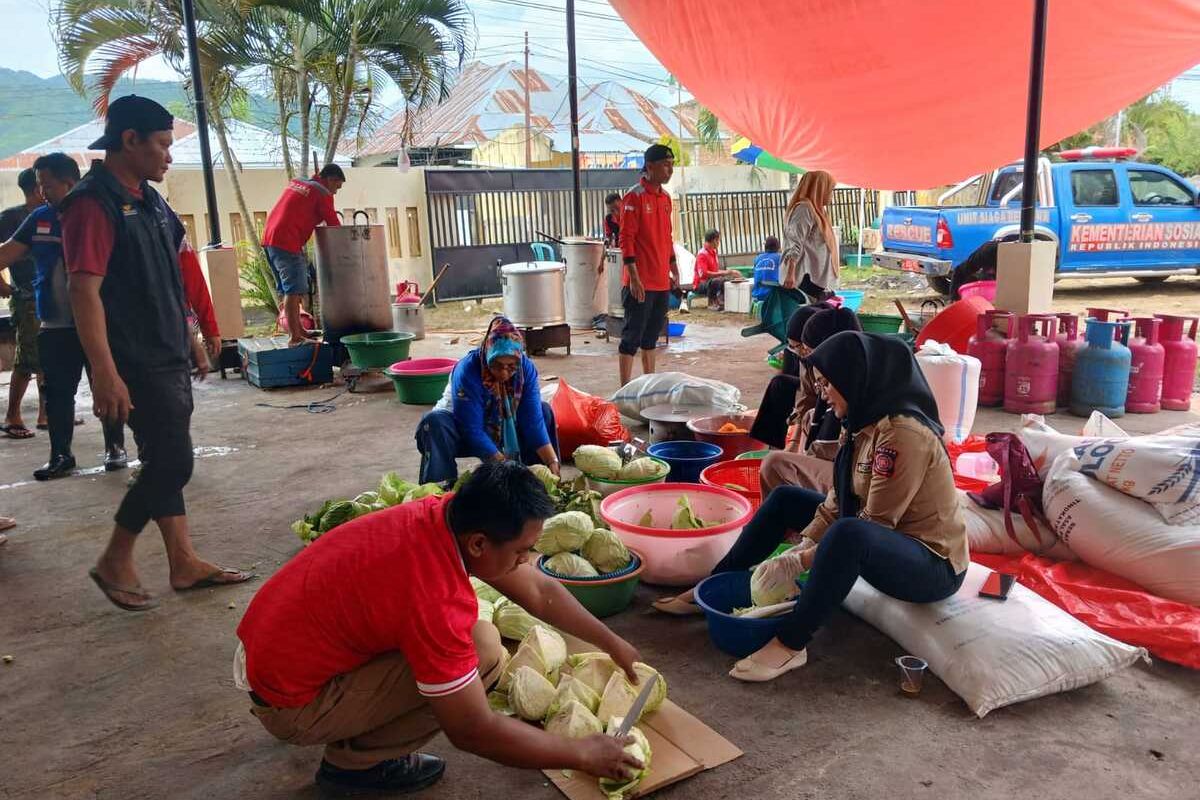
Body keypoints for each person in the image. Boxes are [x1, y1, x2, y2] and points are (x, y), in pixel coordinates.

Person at [235, 461, 645, 795]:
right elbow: (471, 731)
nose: (528, 560)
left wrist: (610, 641)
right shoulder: (435, 600)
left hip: (270, 655)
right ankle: (354, 768)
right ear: (479, 544)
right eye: (522, 551)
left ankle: (349, 729)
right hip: (290, 704)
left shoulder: (444, 515)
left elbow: (538, 590)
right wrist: (581, 754)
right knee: (483, 656)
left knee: (479, 641)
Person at [653, 332, 968, 683]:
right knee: (787, 499)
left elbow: (877, 523)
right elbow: (838, 498)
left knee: (849, 534)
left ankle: (791, 644)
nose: (822, 393)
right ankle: (713, 585)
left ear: (854, 379)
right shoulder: (861, 420)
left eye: (827, 384)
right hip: (885, 541)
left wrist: (801, 559)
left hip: (930, 565)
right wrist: (806, 543)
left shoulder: (902, 434)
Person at [60, 95, 252, 611]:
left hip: (166, 351)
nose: (169, 155)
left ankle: (183, 561)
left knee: (164, 457)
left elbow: (170, 279)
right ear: (130, 140)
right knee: (173, 463)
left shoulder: (149, 201)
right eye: (163, 144)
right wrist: (104, 373)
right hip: (133, 361)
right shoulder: (91, 204)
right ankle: (115, 558)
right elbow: (83, 291)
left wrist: (191, 338)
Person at [0, 153, 129, 480]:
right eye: (40, 186)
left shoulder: (97, 213)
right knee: (56, 392)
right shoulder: (40, 219)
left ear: (70, 182)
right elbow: (7, 252)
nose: (42, 192)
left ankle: (116, 448)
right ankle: (60, 455)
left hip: (98, 322)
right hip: (55, 324)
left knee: (105, 382)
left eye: (48, 185)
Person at [415, 316, 560, 485]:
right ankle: (440, 487)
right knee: (434, 422)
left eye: (511, 367)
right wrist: (505, 467)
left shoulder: (525, 369)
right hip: (462, 430)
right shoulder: (468, 370)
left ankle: (535, 483)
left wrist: (552, 461)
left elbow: (533, 421)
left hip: (503, 426)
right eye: (497, 365)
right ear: (488, 354)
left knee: (544, 411)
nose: (504, 373)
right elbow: (471, 429)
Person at [756, 307, 862, 498]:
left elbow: (876, 511)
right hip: (847, 475)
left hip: (858, 483)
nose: (803, 355)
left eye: (805, 349)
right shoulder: (825, 370)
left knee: (777, 466)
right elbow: (806, 403)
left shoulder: (860, 393)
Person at [618, 143, 680, 387]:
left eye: (672, 165)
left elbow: (667, 237)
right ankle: (624, 389)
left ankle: (648, 386)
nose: (670, 170)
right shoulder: (634, 196)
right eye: (665, 165)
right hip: (640, 282)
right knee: (631, 337)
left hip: (660, 281)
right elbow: (627, 239)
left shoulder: (665, 198)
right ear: (650, 166)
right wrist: (633, 277)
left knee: (651, 338)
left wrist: (673, 268)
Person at [261, 164, 344, 346]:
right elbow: (335, 227)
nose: (336, 192)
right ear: (330, 180)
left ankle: (299, 330)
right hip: (287, 242)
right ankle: (295, 338)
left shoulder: (298, 182)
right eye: (337, 186)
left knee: (288, 289)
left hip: (269, 239)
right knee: (294, 290)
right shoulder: (322, 193)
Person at [0, 168, 46, 440]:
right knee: (27, 359)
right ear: (37, 186)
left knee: (47, 358)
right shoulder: (12, 217)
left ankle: (46, 412)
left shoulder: (50, 214)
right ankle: (12, 415)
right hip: (25, 297)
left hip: (46, 297)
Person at [780, 171, 839, 301]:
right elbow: (795, 241)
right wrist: (790, 274)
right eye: (830, 190)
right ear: (819, 189)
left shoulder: (817, 211)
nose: (831, 195)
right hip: (806, 280)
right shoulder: (804, 209)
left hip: (817, 281)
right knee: (810, 317)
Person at [692, 229, 741, 311]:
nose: (718, 242)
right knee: (716, 281)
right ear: (714, 240)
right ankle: (711, 303)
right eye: (718, 240)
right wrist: (725, 273)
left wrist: (731, 272)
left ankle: (722, 301)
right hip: (700, 284)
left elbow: (715, 271)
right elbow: (704, 274)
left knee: (729, 280)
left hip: (710, 281)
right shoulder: (702, 254)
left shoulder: (713, 253)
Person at [752, 235, 782, 301]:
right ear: (778, 247)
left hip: (756, 294)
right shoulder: (780, 258)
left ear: (765, 247)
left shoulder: (757, 258)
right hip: (772, 296)